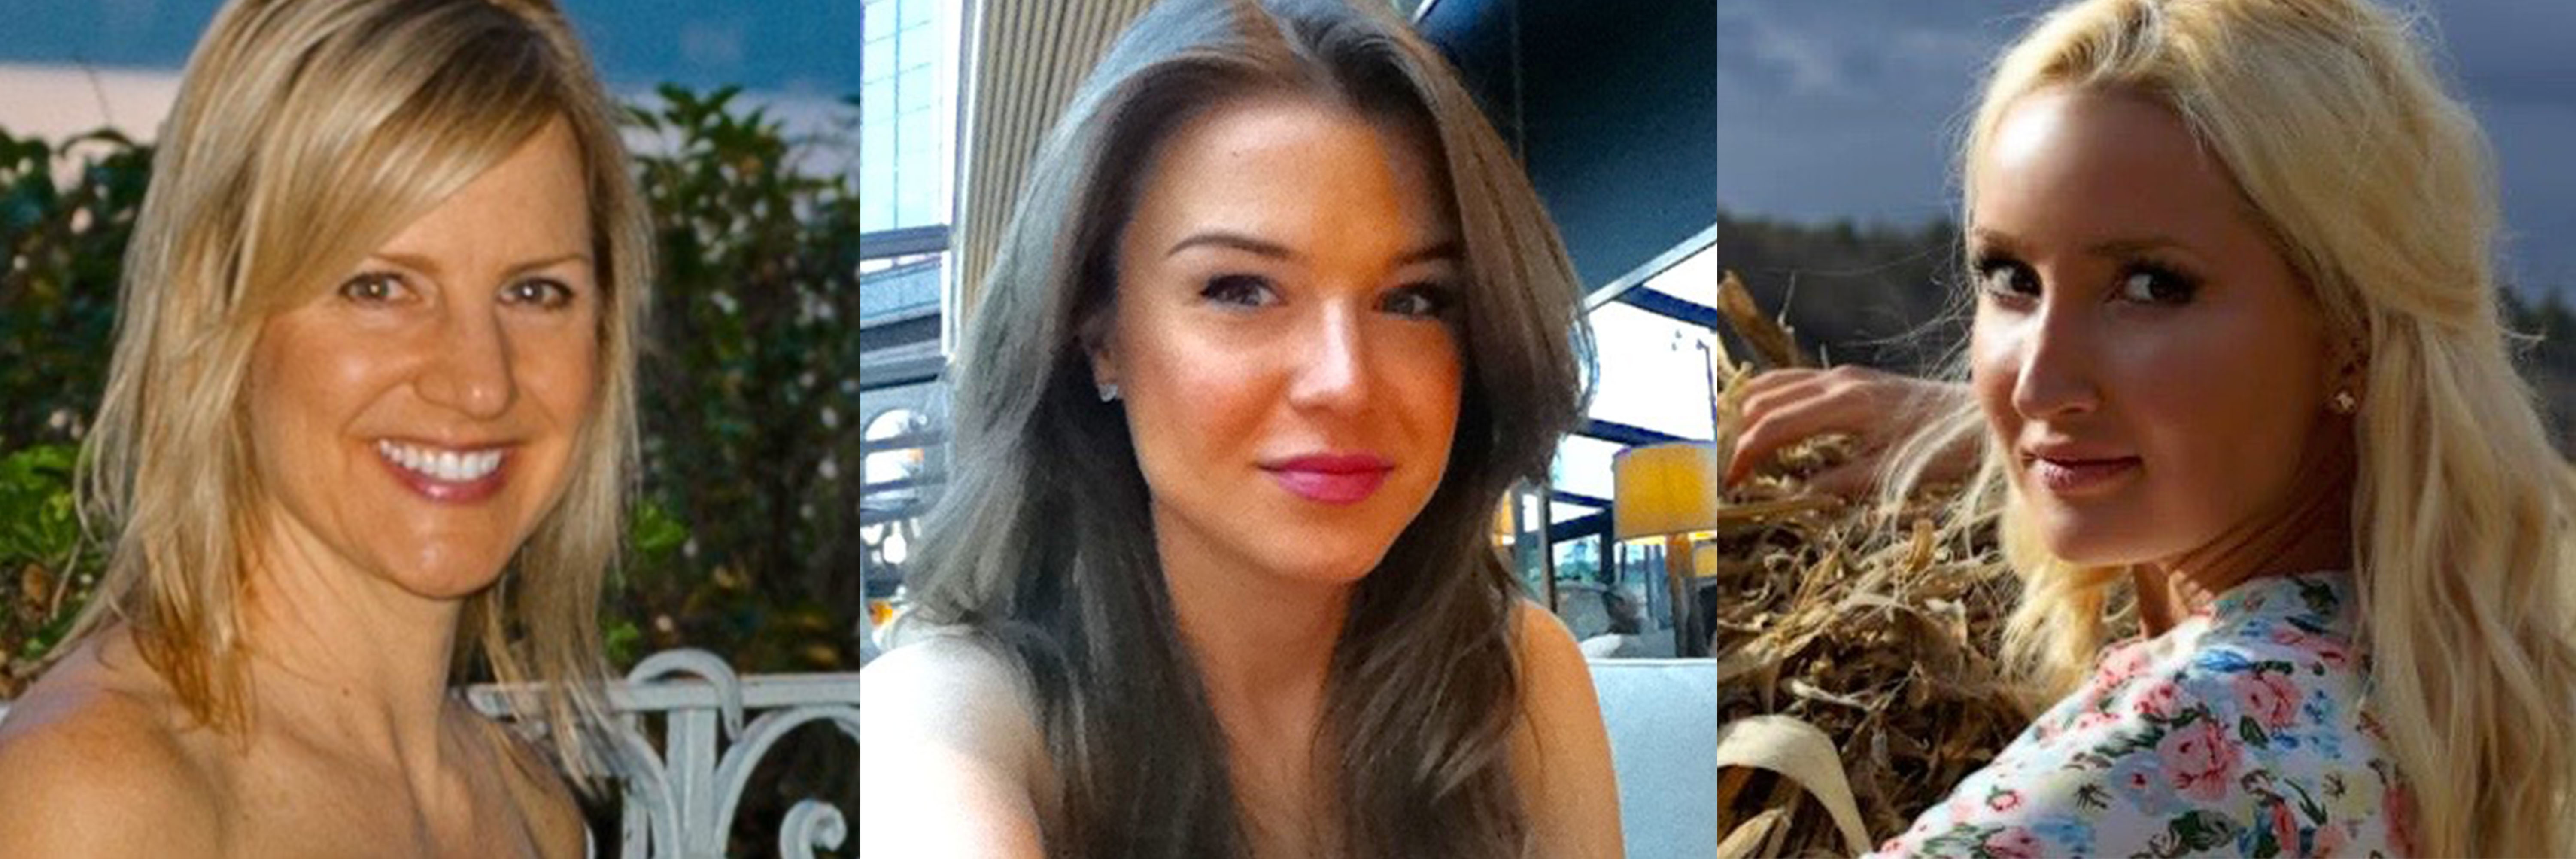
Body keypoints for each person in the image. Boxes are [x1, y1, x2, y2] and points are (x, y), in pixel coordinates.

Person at [856, 0, 1622, 856]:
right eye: (1240, 290)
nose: (1345, 381)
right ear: (1098, 336)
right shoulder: (947, 717)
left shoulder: (1518, 682)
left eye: (1413, 300)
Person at [1827, 0, 2576, 856]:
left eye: (2152, 287)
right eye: (2011, 279)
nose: (2036, 385)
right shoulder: (2407, 693)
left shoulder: (2168, 766)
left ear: (2352, 333)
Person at [0, 1, 651, 855]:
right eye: (379, 288)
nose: (480, 382)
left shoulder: (529, 808)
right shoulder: (98, 799)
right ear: (221, 313)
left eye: (534, 292)